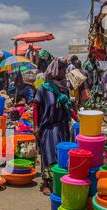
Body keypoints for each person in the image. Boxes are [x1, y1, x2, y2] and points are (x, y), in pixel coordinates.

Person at [34, 58, 72, 196]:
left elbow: (70, 109)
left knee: (62, 156)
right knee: (48, 155)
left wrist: (74, 112)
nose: (65, 73)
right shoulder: (44, 89)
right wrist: (36, 126)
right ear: (56, 71)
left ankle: (58, 182)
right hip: (48, 128)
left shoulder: (64, 89)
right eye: (63, 70)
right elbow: (36, 108)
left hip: (62, 127)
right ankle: (46, 183)